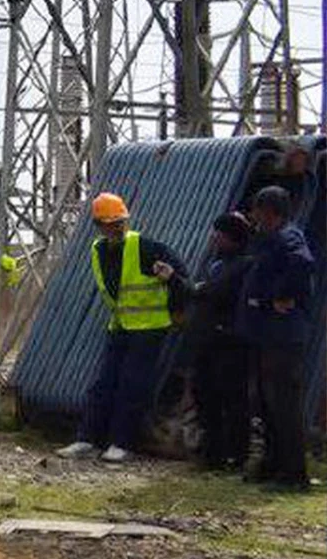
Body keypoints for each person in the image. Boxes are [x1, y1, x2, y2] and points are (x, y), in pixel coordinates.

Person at [57, 193, 185, 463]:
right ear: (99, 225)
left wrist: (176, 310)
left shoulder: (146, 247)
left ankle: (122, 443)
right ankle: (87, 439)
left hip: (150, 329)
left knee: (132, 386)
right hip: (121, 326)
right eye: (110, 223)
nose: (116, 228)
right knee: (103, 385)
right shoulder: (98, 250)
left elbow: (181, 277)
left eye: (120, 222)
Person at [240, 186, 315, 489]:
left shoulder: (288, 237)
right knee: (269, 403)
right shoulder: (272, 239)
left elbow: (302, 263)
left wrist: (278, 297)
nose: (255, 217)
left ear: (269, 212)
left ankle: (293, 474)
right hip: (270, 335)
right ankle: (272, 465)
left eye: (258, 211)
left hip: (283, 336)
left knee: (283, 404)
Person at [186, 213, 257, 471]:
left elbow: (217, 292)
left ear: (233, 238)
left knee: (232, 399)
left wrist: (200, 290)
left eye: (220, 234)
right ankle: (212, 451)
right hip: (207, 340)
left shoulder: (245, 265)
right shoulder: (216, 263)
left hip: (230, 342)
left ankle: (236, 455)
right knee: (205, 395)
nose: (214, 238)